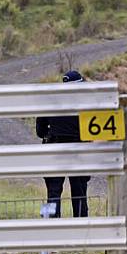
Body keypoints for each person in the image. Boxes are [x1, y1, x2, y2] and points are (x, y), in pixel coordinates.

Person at [35, 70, 90, 218]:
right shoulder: (86, 103)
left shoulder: (50, 102)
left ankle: (48, 223)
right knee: (80, 192)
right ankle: (82, 224)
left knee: (52, 191)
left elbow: (40, 131)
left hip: (54, 148)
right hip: (78, 150)